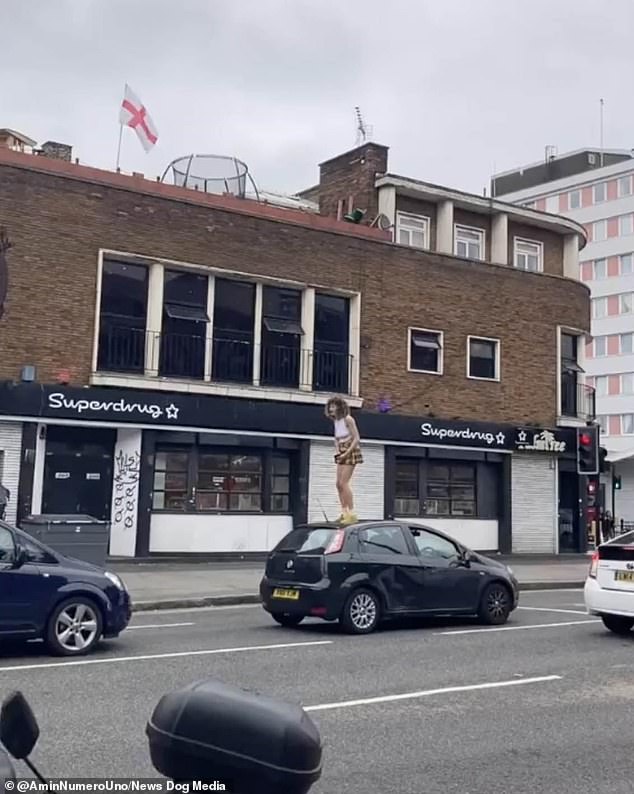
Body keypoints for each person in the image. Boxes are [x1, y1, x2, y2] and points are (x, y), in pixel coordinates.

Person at [325, 396, 363, 524]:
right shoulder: (336, 421)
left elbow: (356, 438)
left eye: (333, 406)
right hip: (341, 449)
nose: (331, 409)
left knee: (344, 483)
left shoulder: (348, 419)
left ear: (340, 407)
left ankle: (351, 514)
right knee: (338, 484)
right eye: (330, 407)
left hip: (351, 449)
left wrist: (346, 453)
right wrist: (337, 452)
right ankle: (344, 512)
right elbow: (336, 438)